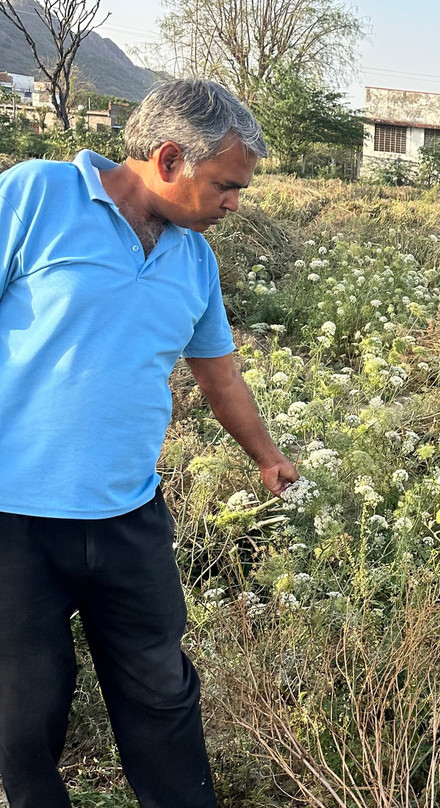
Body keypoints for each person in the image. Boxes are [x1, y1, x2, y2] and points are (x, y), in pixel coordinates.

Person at [0, 78, 298, 808]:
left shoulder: (193, 261)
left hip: (129, 517)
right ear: (169, 158)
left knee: (161, 689)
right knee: (22, 712)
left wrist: (267, 456)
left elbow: (221, 379)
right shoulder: (36, 196)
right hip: (14, 521)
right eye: (228, 185)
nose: (236, 203)